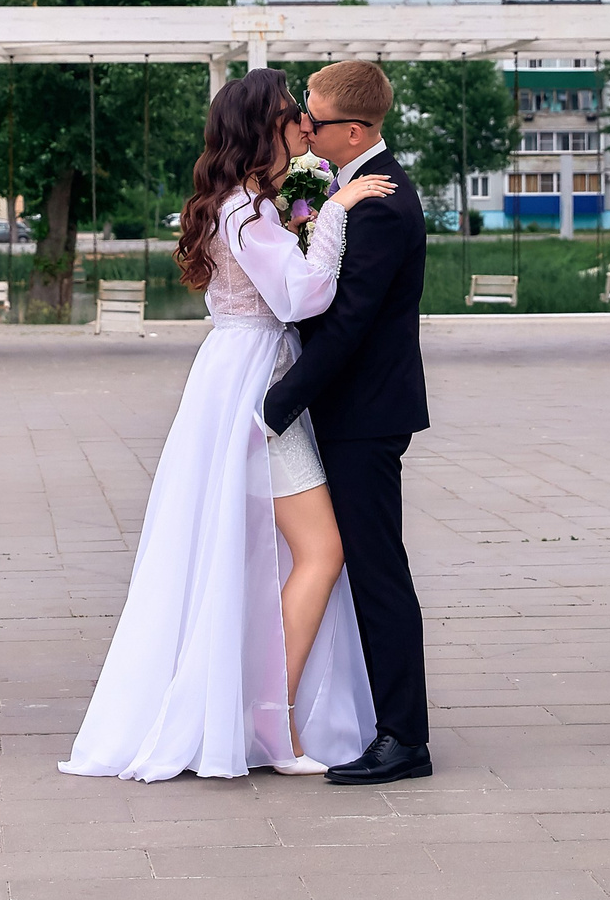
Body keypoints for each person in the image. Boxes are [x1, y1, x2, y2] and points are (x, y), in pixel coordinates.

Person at [62, 70, 392, 782]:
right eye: (290, 116)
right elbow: (301, 296)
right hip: (259, 380)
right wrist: (336, 213)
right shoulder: (247, 214)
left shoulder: (242, 207)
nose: (304, 124)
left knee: (256, 554)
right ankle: (272, 718)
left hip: (237, 372)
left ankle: (270, 711)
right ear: (262, 129)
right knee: (321, 549)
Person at [261, 60, 433, 785]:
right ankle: (368, 717)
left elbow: (352, 322)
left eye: (316, 116)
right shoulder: (338, 191)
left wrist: (279, 400)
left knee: (376, 569)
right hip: (352, 407)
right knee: (359, 564)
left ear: (352, 130)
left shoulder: (382, 202)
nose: (305, 123)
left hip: (363, 414)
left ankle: (404, 736)